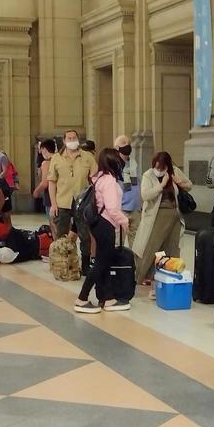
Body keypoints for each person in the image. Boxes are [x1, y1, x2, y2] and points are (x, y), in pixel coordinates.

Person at [74, 147, 131, 314]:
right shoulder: (110, 181)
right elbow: (113, 209)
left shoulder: (98, 178)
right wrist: (125, 221)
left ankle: (107, 298)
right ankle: (82, 298)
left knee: (103, 262)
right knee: (101, 263)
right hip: (106, 224)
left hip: (97, 224)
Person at [133, 152, 193, 285]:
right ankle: (142, 276)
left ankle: (170, 275)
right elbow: (145, 195)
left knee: (172, 247)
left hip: (174, 214)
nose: (158, 170)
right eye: (156, 167)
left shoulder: (174, 171)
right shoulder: (148, 175)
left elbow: (189, 185)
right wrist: (161, 185)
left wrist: (179, 182)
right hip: (157, 215)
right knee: (151, 247)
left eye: (161, 167)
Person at [47, 130, 94, 239]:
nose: (72, 140)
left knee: (85, 235)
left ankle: (86, 256)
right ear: (64, 140)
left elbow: (95, 178)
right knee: (61, 235)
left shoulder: (87, 157)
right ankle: (61, 256)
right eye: (69, 138)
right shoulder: (56, 158)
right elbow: (52, 182)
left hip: (82, 202)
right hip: (62, 202)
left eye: (74, 138)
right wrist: (53, 204)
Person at [115, 135, 142, 241]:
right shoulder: (114, 165)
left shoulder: (133, 163)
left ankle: (133, 258)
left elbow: (138, 184)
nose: (127, 145)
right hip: (121, 209)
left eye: (128, 143)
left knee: (135, 243)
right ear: (117, 148)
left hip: (135, 209)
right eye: (123, 143)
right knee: (119, 242)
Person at [32, 138, 57, 215]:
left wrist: (36, 192)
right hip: (62, 196)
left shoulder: (46, 163)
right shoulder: (60, 159)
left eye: (41, 150)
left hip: (50, 196)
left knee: (53, 223)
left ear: (44, 149)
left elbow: (45, 183)